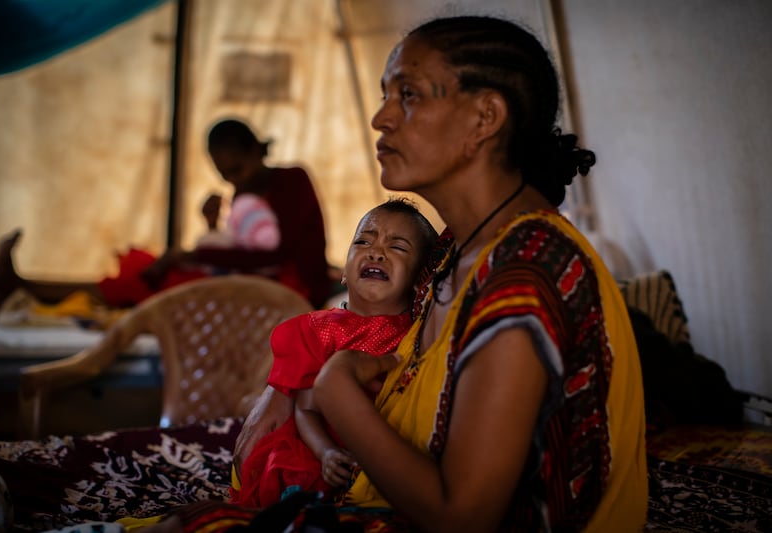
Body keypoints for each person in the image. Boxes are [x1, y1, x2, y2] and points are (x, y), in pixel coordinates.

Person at [140, 14, 649, 533]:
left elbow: (463, 517)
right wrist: (288, 389)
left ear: (484, 117)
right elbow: (401, 364)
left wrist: (337, 386)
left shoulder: (525, 275)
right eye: (386, 94)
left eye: (408, 94)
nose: (381, 118)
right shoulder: (457, 247)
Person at [231, 198, 437, 508]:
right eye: (363, 242)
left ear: (421, 280)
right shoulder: (322, 329)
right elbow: (306, 407)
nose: (375, 252)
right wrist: (325, 452)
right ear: (343, 273)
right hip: (316, 449)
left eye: (397, 247)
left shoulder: (418, 336)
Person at [141, 118, 333, 309]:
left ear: (256, 151)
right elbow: (242, 250)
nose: (233, 180)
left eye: (237, 170)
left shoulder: (293, 180)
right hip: (261, 290)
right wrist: (212, 226)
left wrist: (194, 256)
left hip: (300, 294)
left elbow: (275, 254)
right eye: (225, 175)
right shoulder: (242, 194)